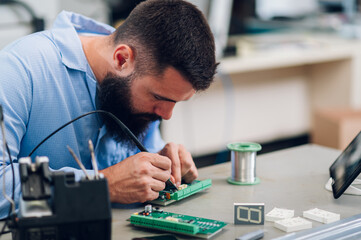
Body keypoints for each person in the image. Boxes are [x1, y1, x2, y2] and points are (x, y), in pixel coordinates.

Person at [0, 0, 217, 218]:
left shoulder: (139, 81)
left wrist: (161, 170)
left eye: (175, 102)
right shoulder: (17, 70)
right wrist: (101, 185)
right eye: (159, 97)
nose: (166, 116)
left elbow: (137, 175)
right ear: (122, 59)